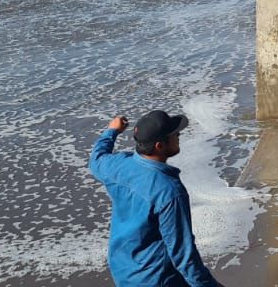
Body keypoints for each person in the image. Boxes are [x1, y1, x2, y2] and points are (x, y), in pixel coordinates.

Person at [89, 110, 224, 287]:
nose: (179, 135)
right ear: (159, 146)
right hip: (156, 278)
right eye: (174, 134)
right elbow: (183, 255)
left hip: (123, 271)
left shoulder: (118, 165)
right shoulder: (169, 191)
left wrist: (111, 131)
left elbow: (96, 159)